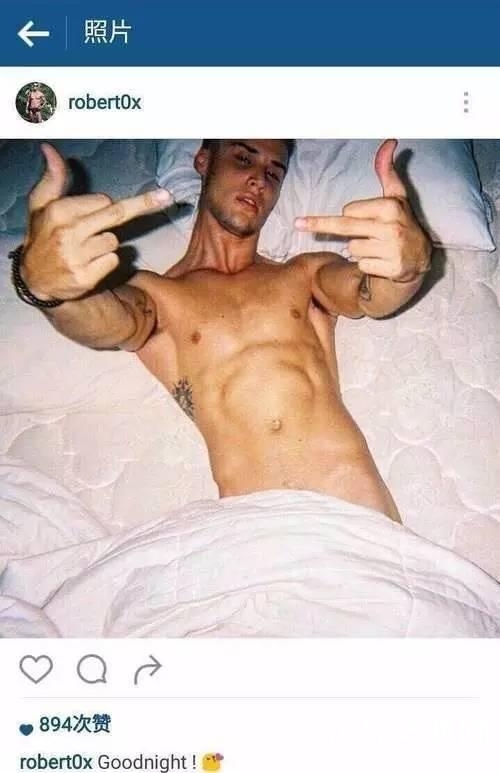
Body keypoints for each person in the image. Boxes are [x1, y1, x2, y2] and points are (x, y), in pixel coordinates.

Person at [16, 139, 431, 524]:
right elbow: (105, 321)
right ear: (203, 160)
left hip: (360, 526)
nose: (259, 179)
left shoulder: (304, 274)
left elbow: (371, 293)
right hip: (253, 540)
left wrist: (410, 267)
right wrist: (50, 290)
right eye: (244, 158)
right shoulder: (158, 295)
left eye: (274, 173)